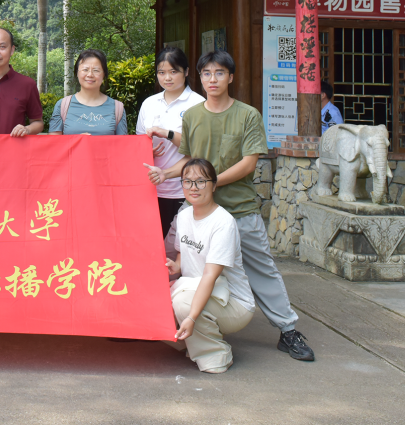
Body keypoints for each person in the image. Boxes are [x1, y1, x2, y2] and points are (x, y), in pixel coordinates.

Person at [145, 50, 315, 362]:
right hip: (196, 213)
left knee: (261, 269)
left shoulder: (248, 115)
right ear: (200, 78)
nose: (213, 79)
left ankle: (288, 329)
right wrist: (166, 174)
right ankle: (180, 324)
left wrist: (208, 183)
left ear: (231, 77)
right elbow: (190, 159)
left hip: (239, 209)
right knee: (180, 266)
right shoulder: (192, 116)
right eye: (207, 73)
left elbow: (249, 163)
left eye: (219, 73)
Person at [165, 157, 256, 373]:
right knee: (158, 300)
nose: (193, 187)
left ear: (214, 185)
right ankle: (192, 341)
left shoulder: (223, 223)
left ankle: (216, 355)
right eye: (187, 181)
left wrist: (191, 317)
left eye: (201, 181)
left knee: (182, 304)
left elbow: (209, 276)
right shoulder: (184, 216)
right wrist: (176, 266)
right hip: (199, 290)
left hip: (233, 302)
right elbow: (183, 252)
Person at [137, 46, 205, 236]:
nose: (167, 78)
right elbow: (139, 143)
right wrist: (147, 151)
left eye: (173, 72)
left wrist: (167, 133)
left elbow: (199, 149)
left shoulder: (198, 104)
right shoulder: (149, 103)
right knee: (151, 242)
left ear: (186, 72)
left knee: (180, 245)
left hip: (183, 190)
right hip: (150, 188)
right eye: (161, 72)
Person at [48, 49, 127, 135]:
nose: (90, 75)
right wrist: (78, 140)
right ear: (77, 73)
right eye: (85, 70)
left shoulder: (118, 108)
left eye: (96, 70)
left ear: (104, 74)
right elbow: (54, 141)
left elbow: (123, 142)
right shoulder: (62, 105)